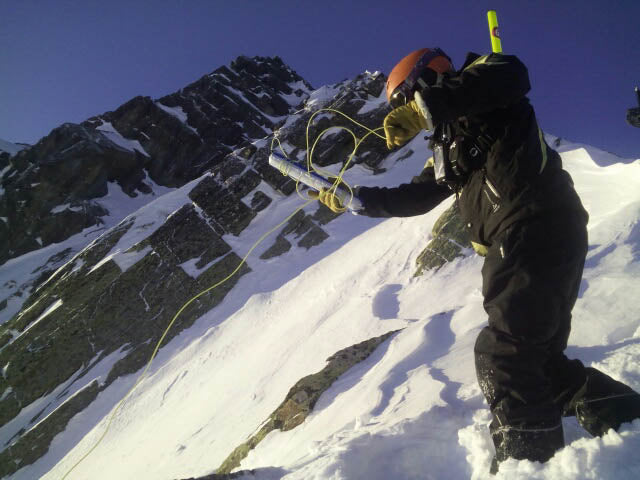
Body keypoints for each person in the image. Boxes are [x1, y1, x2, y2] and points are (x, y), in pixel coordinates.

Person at [313, 47, 640, 472]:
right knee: (538, 362)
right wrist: (355, 199)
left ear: (425, 79)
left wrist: (425, 107)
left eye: (402, 101)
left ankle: (530, 463)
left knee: (506, 355)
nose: (403, 115)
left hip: (529, 225)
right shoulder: (452, 143)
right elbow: (418, 196)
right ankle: (627, 418)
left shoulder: (488, 78)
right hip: (532, 238)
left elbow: (513, 75)